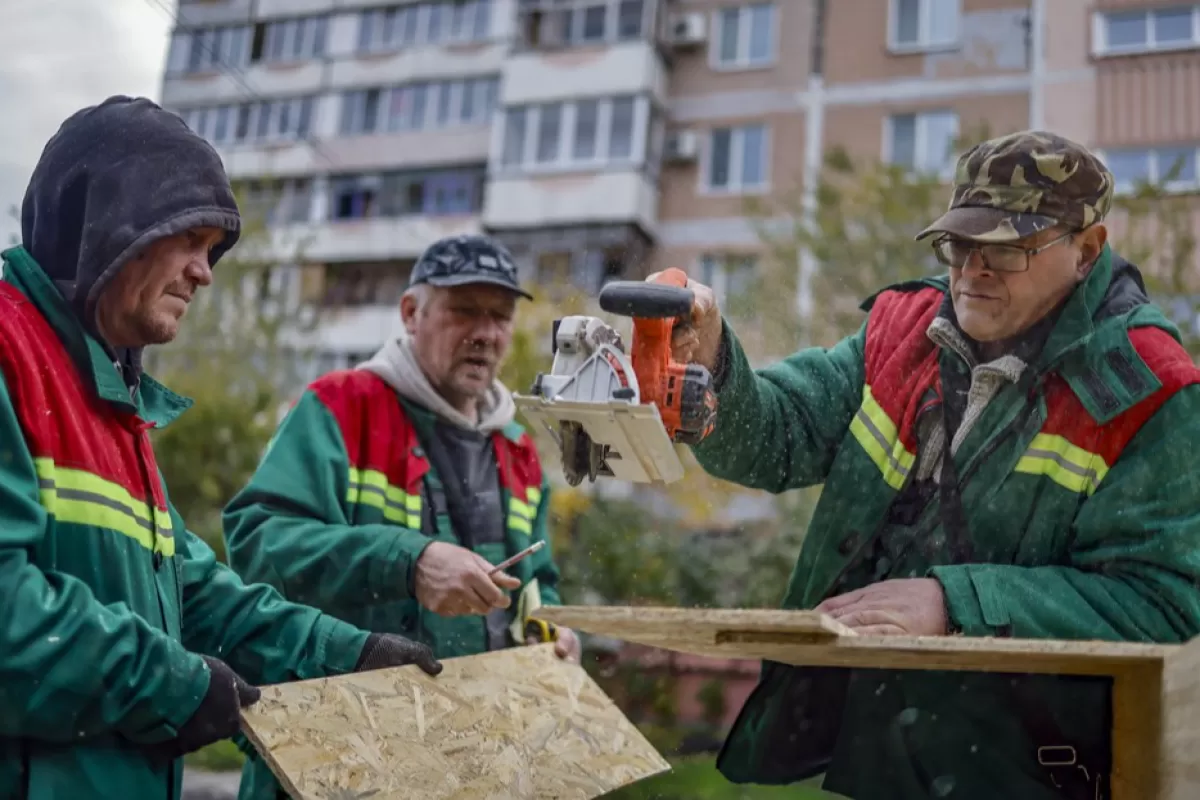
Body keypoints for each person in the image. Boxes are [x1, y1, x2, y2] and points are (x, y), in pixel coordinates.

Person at [664, 131, 1200, 800]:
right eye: (961, 242)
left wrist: (957, 603)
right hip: (888, 757)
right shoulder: (903, 332)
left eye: (1008, 248)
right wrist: (711, 365)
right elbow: (780, 433)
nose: (974, 269)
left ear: (1086, 249)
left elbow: (1166, 607)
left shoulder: (1152, 391)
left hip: (1033, 773)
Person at [0, 95, 445, 800]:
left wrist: (348, 654)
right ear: (113, 223)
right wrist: (177, 687)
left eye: (211, 251)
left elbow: (197, 594)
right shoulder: (9, 351)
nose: (204, 273)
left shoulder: (111, 406)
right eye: (187, 238)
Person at [223, 233, 580, 799]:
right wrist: (408, 562)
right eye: (465, 311)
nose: (486, 333)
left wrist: (551, 634)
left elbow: (537, 584)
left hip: (462, 763)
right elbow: (260, 541)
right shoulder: (340, 406)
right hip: (331, 760)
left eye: (501, 316)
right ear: (411, 313)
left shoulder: (518, 448)